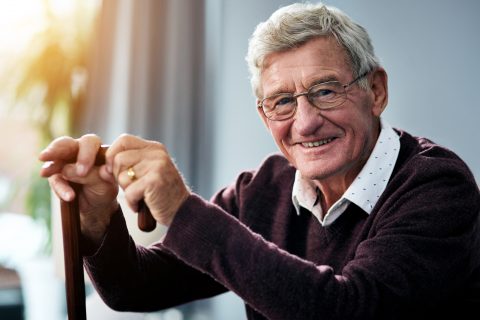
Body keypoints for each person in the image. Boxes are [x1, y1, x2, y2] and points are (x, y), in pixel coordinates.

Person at [39, 3, 480, 319]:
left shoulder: (436, 185)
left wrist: (183, 211)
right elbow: (134, 287)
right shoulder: (264, 189)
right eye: (282, 101)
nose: (305, 123)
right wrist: (99, 218)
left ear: (377, 92)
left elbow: (346, 307)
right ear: (263, 114)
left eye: (326, 90)